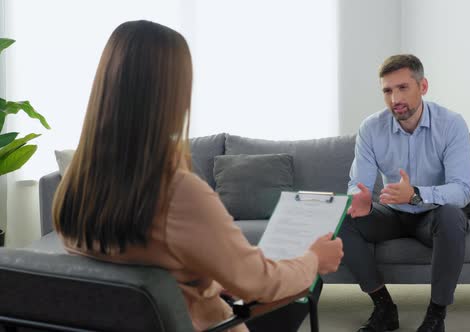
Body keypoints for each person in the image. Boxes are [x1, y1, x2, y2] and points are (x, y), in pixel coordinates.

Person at [52, 20, 343, 332]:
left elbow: (145, 267)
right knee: (304, 286)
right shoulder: (178, 193)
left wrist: (213, 281)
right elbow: (262, 283)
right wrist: (313, 259)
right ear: (173, 93)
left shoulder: (76, 182)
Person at [341, 54, 470, 332]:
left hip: (432, 215)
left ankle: (436, 315)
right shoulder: (371, 128)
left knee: (453, 217)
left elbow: (462, 190)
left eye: (403, 88)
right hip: (391, 212)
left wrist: (415, 193)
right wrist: (359, 196)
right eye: (387, 91)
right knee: (341, 219)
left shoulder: (451, 124)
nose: (394, 99)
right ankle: (384, 307)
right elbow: (359, 183)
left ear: (422, 86)